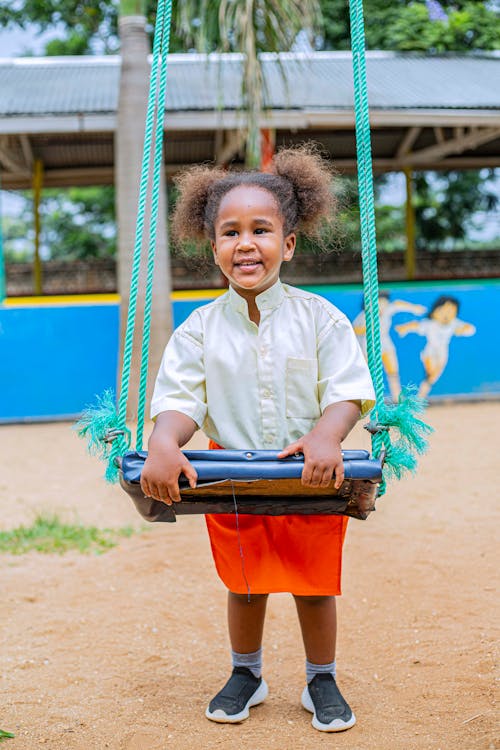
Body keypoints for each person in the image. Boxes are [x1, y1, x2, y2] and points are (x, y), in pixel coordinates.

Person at [140, 145, 375, 733]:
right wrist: (166, 440)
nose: (246, 243)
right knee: (245, 582)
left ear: (288, 244)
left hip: (311, 471)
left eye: (261, 230)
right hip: (233, 473)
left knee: (314, 584)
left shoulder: (320, 317)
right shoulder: (199, 329)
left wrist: (327, 435)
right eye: (230, 232)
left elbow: (345, 389)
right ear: (213, 245)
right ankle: (247, 672)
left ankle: (321, 677)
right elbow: (180, 398)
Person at [396, 295, 475, 398]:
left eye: (451, 311)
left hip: (443, 354)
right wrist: (404, 328)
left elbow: (471, 329)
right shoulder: (430, 324)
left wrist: (464, 330)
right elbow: (417, 326)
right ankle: (419, 396)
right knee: (431, 371)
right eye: (443, 310)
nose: (446, 314)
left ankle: (420, 396)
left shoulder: (454, 323)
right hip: (430, 351)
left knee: (433, 377)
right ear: (435, 310)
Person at [353, 292, 427, 401]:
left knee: (393, 371)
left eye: (385, 302)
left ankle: (397, 399)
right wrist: (368, 329)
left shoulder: (387, 310)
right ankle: (366, 399)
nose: (383, 305)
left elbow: (398, 304)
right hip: (368, 347)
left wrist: (414, 308)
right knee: (367, 374)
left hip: (386, 344)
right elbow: (355, 329)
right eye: (379, 302)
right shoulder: (364, 316)